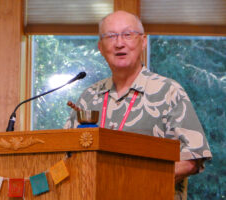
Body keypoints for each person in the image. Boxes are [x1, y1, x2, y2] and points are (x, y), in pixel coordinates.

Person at [64, 11, 212, 199]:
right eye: (111, 36)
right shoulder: (89, 97)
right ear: (100, 47)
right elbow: (65, 156)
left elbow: (193, 158)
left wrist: (130, 181)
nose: (119, 43)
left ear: (143, 42)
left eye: (127, 35)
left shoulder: (168, 91)